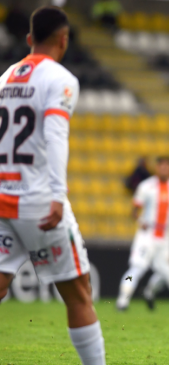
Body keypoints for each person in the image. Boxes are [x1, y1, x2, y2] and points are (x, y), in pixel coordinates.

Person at [0, 6, 106, 365]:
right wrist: (58, 195)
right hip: (38, 201)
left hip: (2, 196)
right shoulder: (60, 78)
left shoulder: (4, 78)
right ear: (64, 40)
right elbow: (55, 135)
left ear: (29, 39)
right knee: (78, 295)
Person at [116, 157, 169, 311]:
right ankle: (123, 301)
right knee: (137, 268)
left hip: (165, 236)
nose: (164, 169)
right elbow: (134, 211)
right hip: (147, 235)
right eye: (162, 166)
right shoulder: (146, 186)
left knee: (167, 274)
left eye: (168, 166)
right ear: (157, 168)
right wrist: (140, 220)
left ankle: (149, 292)